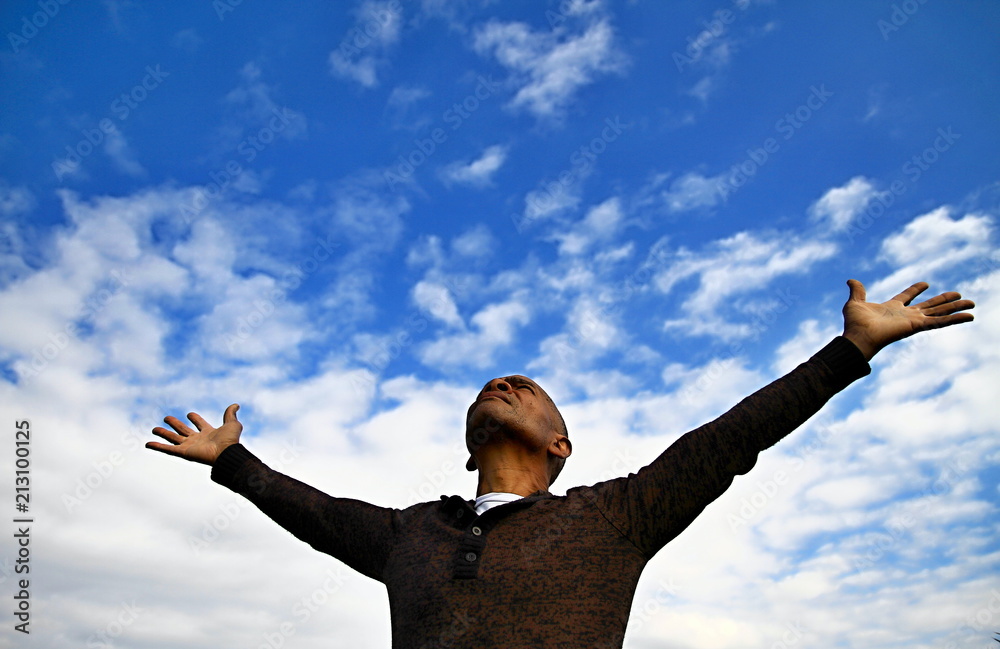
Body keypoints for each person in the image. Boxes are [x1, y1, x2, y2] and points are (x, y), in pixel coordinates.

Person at [146, 279, 974, 648]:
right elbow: (318, 513)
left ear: (561, 445)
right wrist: (235, 460)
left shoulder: (613, 517)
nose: (503, 381)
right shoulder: (410, 533)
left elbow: (728, 440)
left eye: (527, 387)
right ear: (467, 438)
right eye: (493, 384)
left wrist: (850, 349)